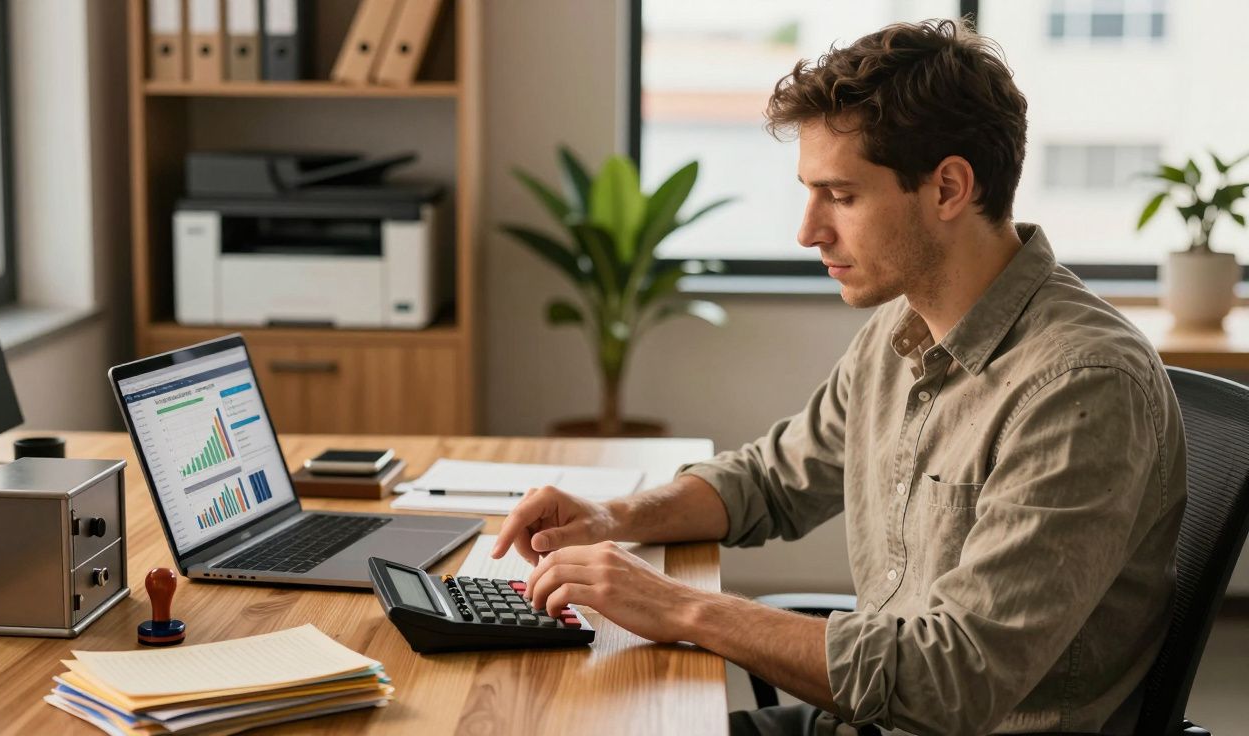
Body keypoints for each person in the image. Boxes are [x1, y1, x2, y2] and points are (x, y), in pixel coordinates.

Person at [492, 18, 1186, 736]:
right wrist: (615, 517)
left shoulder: (1083, 386)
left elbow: (954, 679)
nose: (808, 230)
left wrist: (682, 609)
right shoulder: (902, 328)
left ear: (948, 187)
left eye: (841, 196)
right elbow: (771, 480)